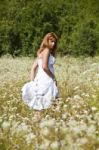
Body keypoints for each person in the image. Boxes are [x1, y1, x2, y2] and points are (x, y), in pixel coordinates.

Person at [21, 32, 60, 122]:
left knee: (49, 104)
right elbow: (44, 67)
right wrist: (53, 77)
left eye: (55, 42)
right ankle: (48, 124)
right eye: (51, 41)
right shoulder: (46, 51)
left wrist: (32, 82)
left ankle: (52, 124)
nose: (53, 44)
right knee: (50, 104)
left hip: (43, 81)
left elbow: (33, 68)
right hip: (46, 81)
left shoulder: (42, 52)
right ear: (47, 41)